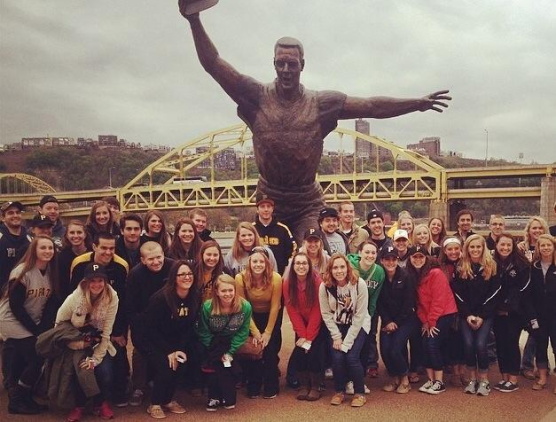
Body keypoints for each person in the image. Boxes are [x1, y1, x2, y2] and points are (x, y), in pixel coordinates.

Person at [179, 4, 451, 244]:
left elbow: (371, 106)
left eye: (292, 64)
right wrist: (194, 21)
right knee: (262, 262)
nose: (286, 70)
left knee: (313, 256)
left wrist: (416, 103)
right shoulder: (256, 97)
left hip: (306, 201)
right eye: (280, 63)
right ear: (274, 64)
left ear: (302, 65)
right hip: (268, 199)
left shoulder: (321, 104)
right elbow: (213, 64)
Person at [0, 235, 59, 414]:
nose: (48, 251)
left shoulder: (50, 270)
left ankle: (23, 397)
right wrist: (36, 330)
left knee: (26, 359)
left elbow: (49, 302)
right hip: (12, 319)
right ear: (34, 250)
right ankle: (17, 399)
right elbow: (16, 307)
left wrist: (42, 327)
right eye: (43, 248)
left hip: (32, 320)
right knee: (37, 356)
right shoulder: (21, 271)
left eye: (50, 248)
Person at [70, 233, 130, 406]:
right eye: (104, 248)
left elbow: (123, 302)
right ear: (94, 246)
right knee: (82, 355)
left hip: (112, 319)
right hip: (84, 320)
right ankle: (82, 398)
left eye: (111, 248)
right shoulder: (79, 263)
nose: (108, 252)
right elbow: (71, 296)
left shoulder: (121, 266)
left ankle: (116, 393)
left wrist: (118, 331)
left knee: (117, 353)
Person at [55, 263, 119, 422]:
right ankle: (79, 406)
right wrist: (77, 345)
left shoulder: (112, 297)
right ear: (85, 282)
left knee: (105, 372)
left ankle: (100, 403)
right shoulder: (74, 298)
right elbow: (58, 326)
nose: (96, 284)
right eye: (92, 280)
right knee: (81, 370)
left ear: (105, 281)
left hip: (98, 343)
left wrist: (95, 359)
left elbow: (106, 333)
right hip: (74, 342)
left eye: (100, 280)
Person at [140, 260, 200, 418]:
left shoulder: (195, 296)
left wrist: (179, 349)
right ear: (174, 277)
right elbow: (149, 329)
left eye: (189, 274)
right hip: (153, 341)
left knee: (181, 363)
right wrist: (168, 351)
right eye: (182, 274)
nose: (187, 277)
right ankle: (155, 403)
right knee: (167, 366)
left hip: (176, 342)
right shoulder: (161, 298)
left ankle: (167, 400)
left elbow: (189, 327)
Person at [125, 242, 175, 407]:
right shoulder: (135, 274)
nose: (156, 262)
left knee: (167, 349)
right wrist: (138, 330)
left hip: (167, 320)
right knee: (140, 351)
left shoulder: (172, 267)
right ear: (143, 260)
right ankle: (138, 387)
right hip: (143, 320)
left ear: (163, 254)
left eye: (159, 257)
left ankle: (162, 383)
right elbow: (131, 306)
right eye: (151, 259)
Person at [319, 253, 370, 407]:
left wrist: (346, 342)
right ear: (330, 270)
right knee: (337, 358)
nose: (339, 270)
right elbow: (326, 314)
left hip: (358, 324)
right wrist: (336, 337)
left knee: (351, 357)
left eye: (342, 267)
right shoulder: (325, 286)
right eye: (335, 267)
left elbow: (360, 315)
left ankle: (359, 392)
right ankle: (339, 391)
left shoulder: (359, 284)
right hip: (337, 326)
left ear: (347, 268)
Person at [452, 234, 500, 396]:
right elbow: (457, 294)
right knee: (468, 344)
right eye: (472, 247)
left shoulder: (491, 266)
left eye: (478, 247)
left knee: (480, 344)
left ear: (483, 248)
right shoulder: (461, 267)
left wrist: (481, 315)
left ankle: (484, 380)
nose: (475, 250)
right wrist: (467, 315)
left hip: (484, 315)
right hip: (467, 315)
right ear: (467, 248)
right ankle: (472, 378)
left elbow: (495, 293)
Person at [197, 274, 252, 411]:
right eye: (223, 291)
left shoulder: (245, 306)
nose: (227, 294)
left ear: (235, 290)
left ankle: (221, 396)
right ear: (216, 292)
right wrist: (217, 351)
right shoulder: (207, 307)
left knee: (226, 363)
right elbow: (203, 331)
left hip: (232, 341)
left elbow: (243, 332)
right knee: (216, 362)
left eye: (230, 290)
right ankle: (217, 397)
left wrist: (230, 352)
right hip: (212, 342)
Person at [407, 245, 458, 395]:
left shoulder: (436, 273)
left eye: (421, 256)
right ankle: (430, 380)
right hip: (428, 316)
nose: (418, 259)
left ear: (426, 258)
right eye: (414, 257)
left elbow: (439, 300)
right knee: (424, 343)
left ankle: (439, 381)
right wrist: (425, 321)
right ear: (410, 259)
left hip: (444, 313)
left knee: (432, 342)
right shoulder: (414, 275)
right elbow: (419, 304)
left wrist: (431, 322)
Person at [236, 247, 282, 398]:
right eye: (255, 261)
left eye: (261, 261)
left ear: (267, 263)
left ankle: (271, 384)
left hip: (270, 315)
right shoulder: (240, 278)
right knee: (254, 348)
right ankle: (253, 383)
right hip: (250, 315)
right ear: (249, 262)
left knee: (269, 349)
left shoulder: (276, 278)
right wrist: (255, 332)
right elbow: (244, 307)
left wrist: (268, 333)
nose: (258, 264)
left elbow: (276, 306)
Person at [491, 232, 531, 393]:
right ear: (497, 246)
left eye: (508, 245)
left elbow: (523, 289)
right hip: (497, 312)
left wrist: (508, 307)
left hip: (515, 313)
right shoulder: (492, 263)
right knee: (500, 344)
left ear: (513, 246)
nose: (505, 248)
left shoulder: (521, 263)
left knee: (511, 343)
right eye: (502, 245)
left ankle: (513, 378)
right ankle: (504, 376)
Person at [283, 252, 325, 401]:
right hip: (301, 325)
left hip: (317, 323)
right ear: (293, 266)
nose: (301, 266)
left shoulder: (317, 282)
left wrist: (309, 336)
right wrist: (302, 335)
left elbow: (317, 309)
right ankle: (303, 385)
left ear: (309, 266)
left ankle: (316, 385)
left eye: (304, 263)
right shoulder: (288, 283)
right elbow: (292, 310)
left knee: (314, 353)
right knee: (301, 351)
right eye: (298, 263)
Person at [376, 246, 418, 395]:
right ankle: (394, 378)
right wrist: (387, 321)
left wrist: (396, 323)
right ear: (381, 260)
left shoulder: (406, 276)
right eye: (387, 259)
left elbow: (409, 304)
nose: (390, 262)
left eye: (393, 259)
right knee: (385, 349)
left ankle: (404, 379)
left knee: (395, 349)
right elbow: (379, 302)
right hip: (388, 321)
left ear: (397, 260)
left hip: (406, 320)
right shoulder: (379, 276)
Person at [347, 240, 385, 382]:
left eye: (373, 253)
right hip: (349, 311)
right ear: (360, 253)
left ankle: (362, 374)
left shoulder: (379, 271)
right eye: (367, 252)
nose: (370, 255)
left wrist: (369, 314)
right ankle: (346, 376)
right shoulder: (350, 267)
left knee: (367, 340)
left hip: (368, 312)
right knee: (349, 341)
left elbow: (375, 296)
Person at [517, 216, 549, 378]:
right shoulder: (521, 248)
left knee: (539, 331)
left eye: (540, 228)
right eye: (534, 228)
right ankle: (527, 364)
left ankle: (539, 364)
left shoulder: (548, 246)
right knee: (533, 329)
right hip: (525, 296)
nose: (537, 231)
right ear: (528, 230)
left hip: (542, 296)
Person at [528, 234, 556, 393]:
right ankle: (543, 377)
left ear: (553, 247)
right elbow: (529, 294)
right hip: (539, 314)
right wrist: (532, 315)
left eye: (548, 245)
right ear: (538, 248)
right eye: (542, 245)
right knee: (541, 345)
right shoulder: (534, 267)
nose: (545, 248)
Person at [438, 237, 467, 387]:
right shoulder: (440, 266)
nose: (453, 252)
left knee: (463, 340)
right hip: (448, 309)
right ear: (444, 250)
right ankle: (455, 372)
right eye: (450, 249)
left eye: (456, 248)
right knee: (452, 340)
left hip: (464, 308)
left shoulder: (466, 264)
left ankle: (462, 371)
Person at [253, 194, 296, 275]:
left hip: (279, 275)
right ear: (257, 209)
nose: (266, 209)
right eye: (262, 206)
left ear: (272, 209)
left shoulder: (283, 229)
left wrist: (286, 273)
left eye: (268, 206)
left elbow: (292, 251)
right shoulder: (251, 229)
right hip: (256, 276)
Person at [0, 201, 31, 291]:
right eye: (10, 213)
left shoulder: (29, 238)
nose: (15, 215)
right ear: (3, 217)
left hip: (24, 289)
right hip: (3, 290)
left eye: (18, 212)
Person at [58, 220, 91, 299]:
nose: (76, 236)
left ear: (85, 234)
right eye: (72, 233)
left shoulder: (92, 254)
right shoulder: (62, 257)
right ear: (66, 235)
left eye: (79, 232)